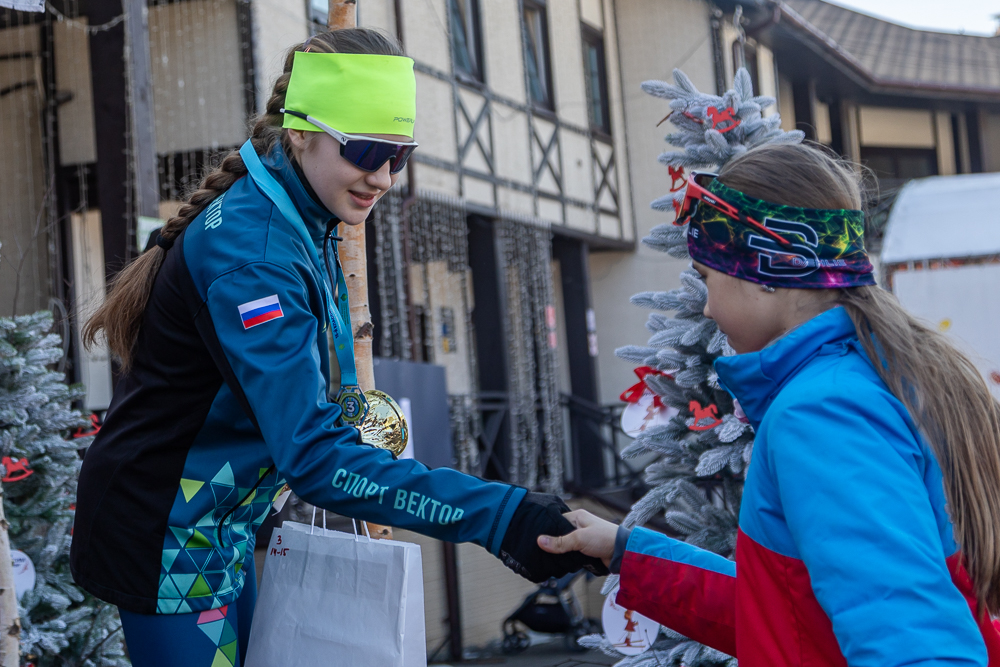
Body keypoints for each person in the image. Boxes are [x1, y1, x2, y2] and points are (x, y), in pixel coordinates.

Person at [72, 29, 604, 667]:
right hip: (163, 530)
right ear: (301, 132)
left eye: (399, 155)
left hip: (216, 522)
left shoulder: (302, 210)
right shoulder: (256, 255)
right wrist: (499, 515)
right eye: (366, 150)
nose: (382, 177)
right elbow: (316, 460)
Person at [539, 143, 1000, 667]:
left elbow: (913, 644)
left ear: (761, 271)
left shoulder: (824, 413)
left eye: (708, 277)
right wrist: (627, 553)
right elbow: (789, 613)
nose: (708, 306)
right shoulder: (872, 379)